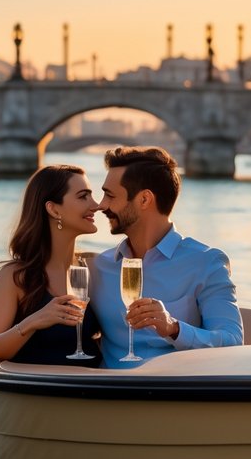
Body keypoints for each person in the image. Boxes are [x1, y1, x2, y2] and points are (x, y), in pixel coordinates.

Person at [90, 146, 243, 368]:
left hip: (173, 396)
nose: (101, 205)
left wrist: (173, 327)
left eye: (110, 195)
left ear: (144, 200)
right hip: (107, 395)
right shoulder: (98, 266)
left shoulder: (207, 262)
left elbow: (233, 342)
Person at [0, 164, 103, 366]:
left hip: (95, 389)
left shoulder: (94, 268)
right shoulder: (15, 276)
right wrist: (34, 321)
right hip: (38, 391)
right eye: (83, 197)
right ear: (53, 209)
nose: (96, 205)